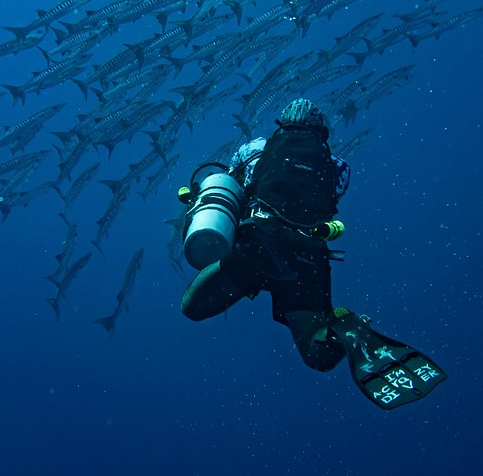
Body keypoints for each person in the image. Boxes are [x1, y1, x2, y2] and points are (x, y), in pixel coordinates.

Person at [180, 98, 446, 410]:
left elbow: (231, 191)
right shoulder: (337, 165)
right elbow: (330, 202)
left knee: (192, 307)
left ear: (283, 122)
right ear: (320, 130)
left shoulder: (255, 149)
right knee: (316, 354)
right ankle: (345, 328)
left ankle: (330, 322)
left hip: (260, 244)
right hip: (309, 254)